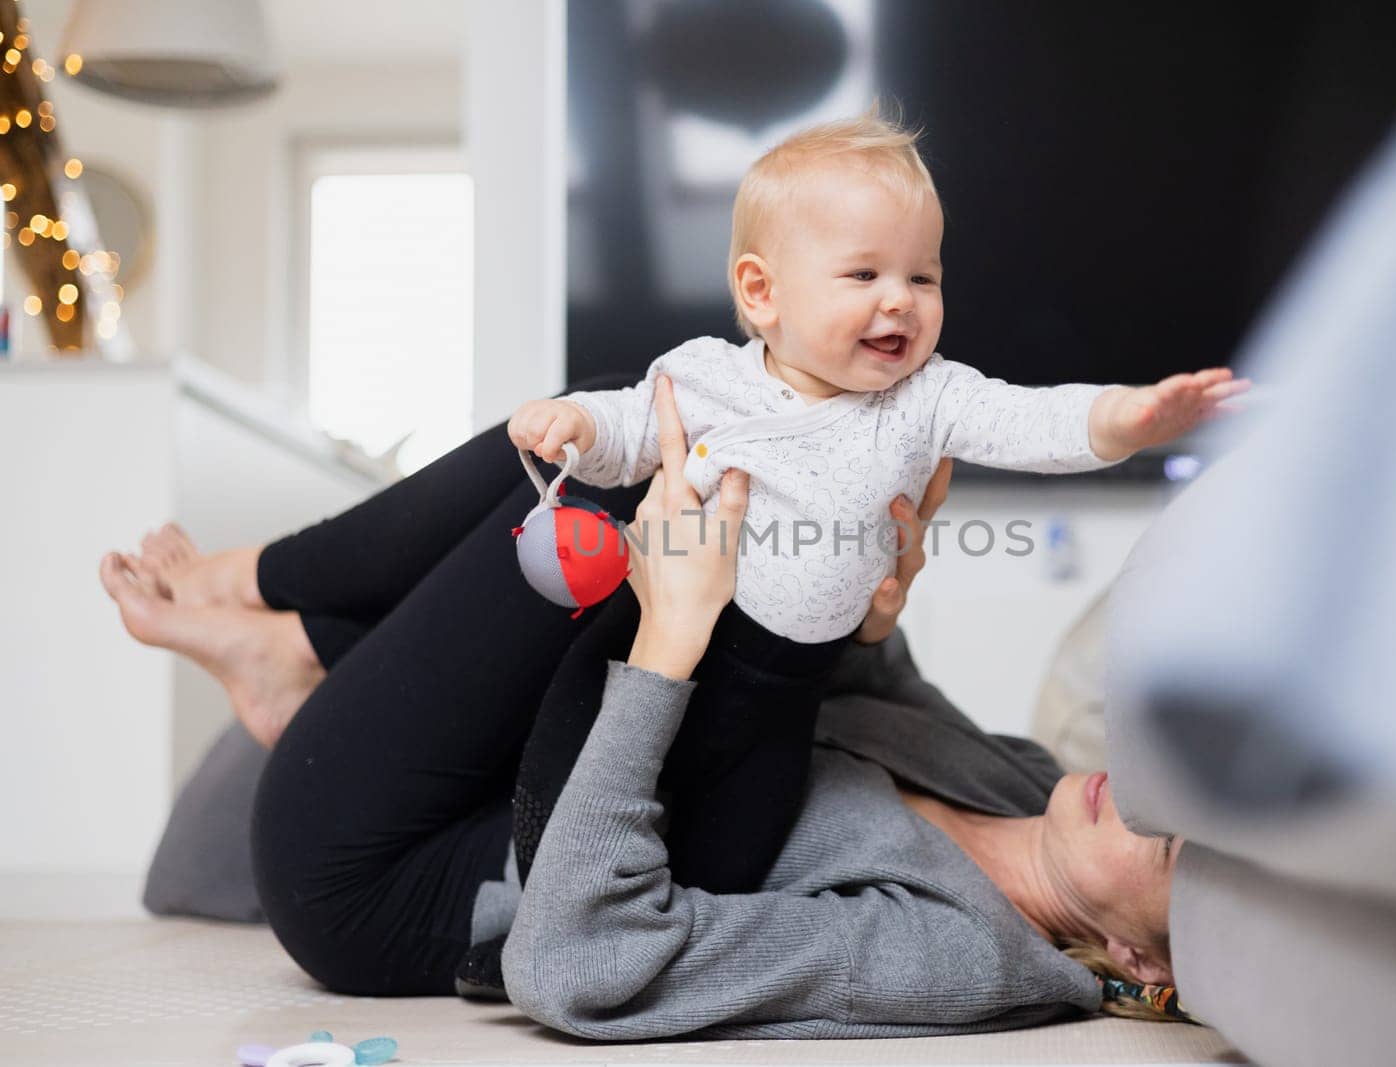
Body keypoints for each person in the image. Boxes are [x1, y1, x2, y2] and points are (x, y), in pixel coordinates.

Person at [99, 377, 1186, 1037]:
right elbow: (861, 683)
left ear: (1143, 964)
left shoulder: (964, 957)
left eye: (1171, 853)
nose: (1148, 802)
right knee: (647, 426)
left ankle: (276, 599)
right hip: (507, 784)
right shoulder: (1018, 776)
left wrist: (667, 644)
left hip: (381, 880)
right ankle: (294, 639)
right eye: (1180, 795)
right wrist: (868, 589)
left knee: (653, 456)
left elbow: (572, 960)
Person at [503, 105, 1244, 895]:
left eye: (922, 277)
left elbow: (1031, 419)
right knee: (563, 771)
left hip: (786, 688)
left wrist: (1127, 420)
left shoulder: (928, 398)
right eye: (865, 275)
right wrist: (577, 423)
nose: (901, 300)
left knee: (733, 862)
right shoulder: (711, 376)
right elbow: (630, 431)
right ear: (762, 292)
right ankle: (529, 904)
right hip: (649, 632)